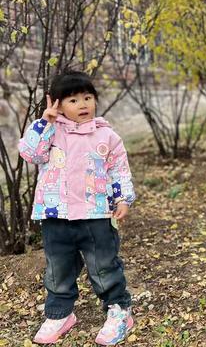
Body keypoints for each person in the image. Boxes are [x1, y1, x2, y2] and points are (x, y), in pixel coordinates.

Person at [18, 71, 135, 346]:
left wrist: (123, 199)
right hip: (55, 215)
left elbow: (119, 170)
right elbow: (29, 154)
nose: (82, 104)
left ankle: (119, 311)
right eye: (73, 99)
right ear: (58, 104)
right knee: (58, 269)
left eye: (87, 97)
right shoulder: (50, 132)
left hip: (95, 215)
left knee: (103, 266)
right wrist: (44, 122)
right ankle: (60, 314)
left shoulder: (106, 135)